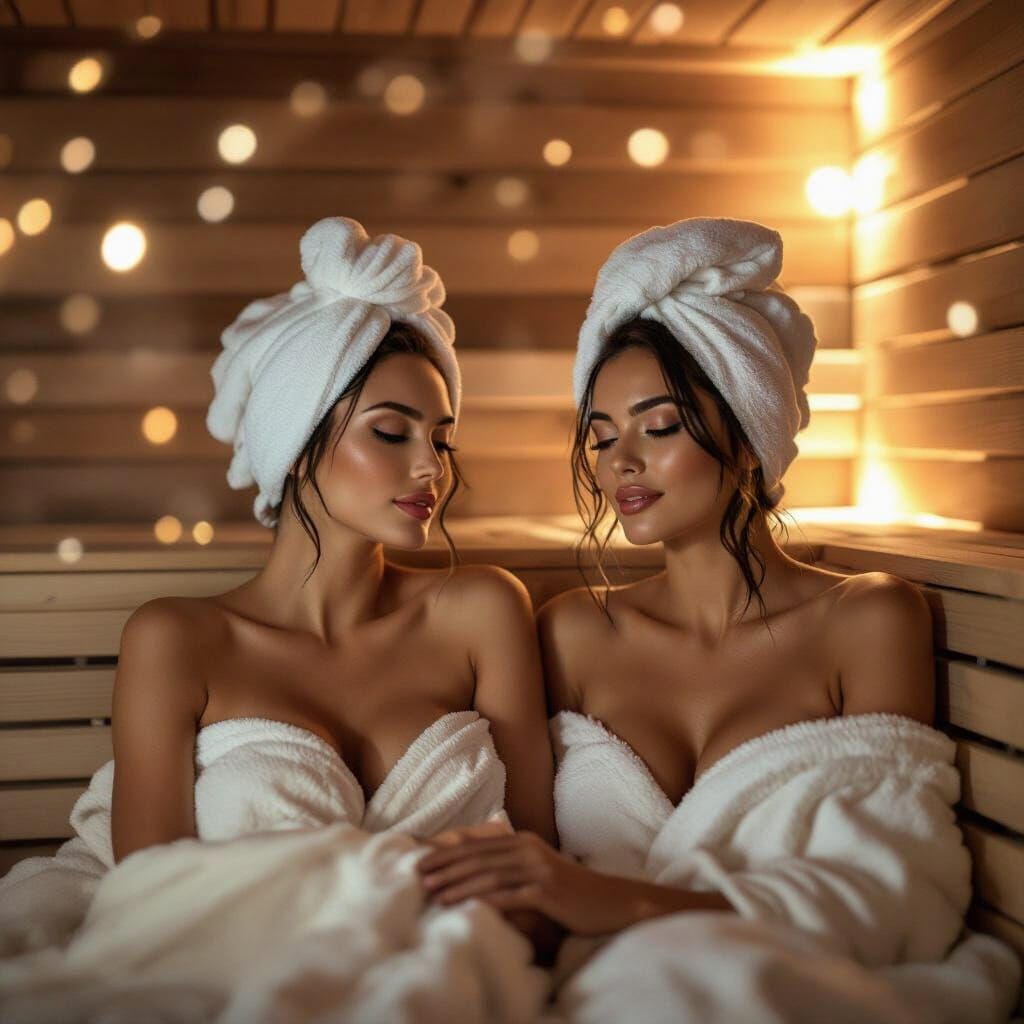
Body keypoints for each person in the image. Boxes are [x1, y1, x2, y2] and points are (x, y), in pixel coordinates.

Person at [417, 217, 1020, 1024]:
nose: (619, 463)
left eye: (658, 427)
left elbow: (896, 889)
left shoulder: (867, 618)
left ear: (748, 428)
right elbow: (527, 877)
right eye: (602, 439)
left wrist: (613, 902)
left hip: (779, 987)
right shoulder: (572, 636)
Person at [0, 217, 555, 1023]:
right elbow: (149, 891)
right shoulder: (179, 640)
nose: (431, 466)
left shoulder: (482, 611)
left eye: (442, 439)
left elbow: (534, 860)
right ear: (297, 443)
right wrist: (400, 877)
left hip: (452, 974)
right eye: (391, 433)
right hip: (221, 968)